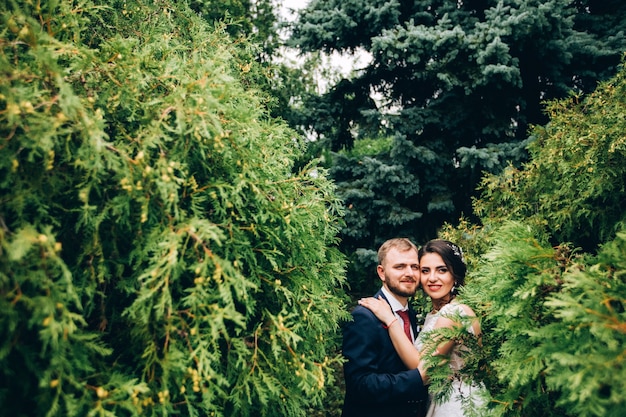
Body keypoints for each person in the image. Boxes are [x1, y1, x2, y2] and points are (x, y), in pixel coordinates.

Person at [359, 239, 485, 417]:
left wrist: (390, 320)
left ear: (454, 275)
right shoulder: (434, 314)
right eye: (425, 270)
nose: (432, 278)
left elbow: (421, 367)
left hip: (458, 405)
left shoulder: (454, 314)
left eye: (442, 270)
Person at [341, 238, 428, 417]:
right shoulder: (364, 316)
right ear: (381, 272)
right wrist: (417, 379)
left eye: (414, 266)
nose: (409, 273)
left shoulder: (412, 314)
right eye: (400, 267)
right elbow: (360, 384)